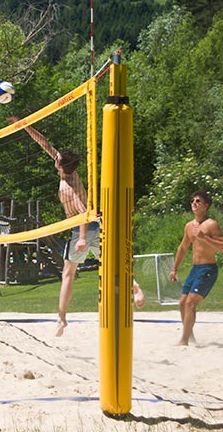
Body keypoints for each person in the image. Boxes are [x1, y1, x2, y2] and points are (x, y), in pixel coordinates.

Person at [12, 117, 145, 337]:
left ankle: (62, 318)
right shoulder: (70, 172)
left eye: (57, 158)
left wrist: (82, 238)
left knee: (68, 273)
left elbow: (83, 212)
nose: (54, 157)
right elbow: (45, 144)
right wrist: (24, 125)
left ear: (60, 165)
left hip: (83, 229)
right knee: (112, 264)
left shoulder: (67, 187)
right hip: (98, 225)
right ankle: (136, 287)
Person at [169, 190, 223, 346]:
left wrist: (205, 237)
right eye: (193, 201)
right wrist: (174, 269)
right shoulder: (189, 226)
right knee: (182, 303)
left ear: (206, 206)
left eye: (198, 201)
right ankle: (190, 336)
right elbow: (182, 248)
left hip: (208, 269)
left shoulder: (211, 224)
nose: (194, 203)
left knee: (190, 303)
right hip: (195, 269)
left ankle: (183, 341)